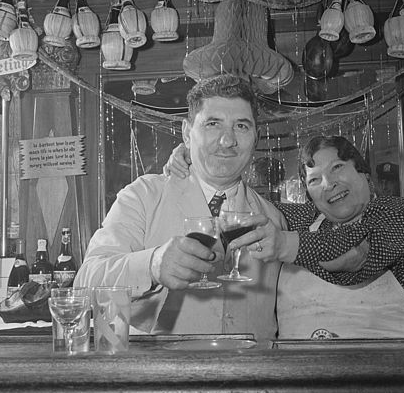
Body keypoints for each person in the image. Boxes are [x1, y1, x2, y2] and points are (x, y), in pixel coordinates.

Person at [164, 135, 404, 339]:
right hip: (297, 384)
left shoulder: (401, 215)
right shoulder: (301, 220)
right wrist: (200, 159)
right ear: (310, 195)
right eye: (315, 180)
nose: (329, 184)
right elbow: (237, 205)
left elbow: (353, 258)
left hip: (395, 381)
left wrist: (283, 245)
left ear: (364, 173)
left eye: (338, 168)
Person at [74, 73, 288, 339]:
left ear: (256, 137)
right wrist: (151, 265)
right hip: (163, 374)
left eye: (241, 126)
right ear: (187, 133)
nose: (227, 140)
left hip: (250, 375)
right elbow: (86, 282)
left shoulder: (274, 220)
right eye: (213, 124)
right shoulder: (142, 196)